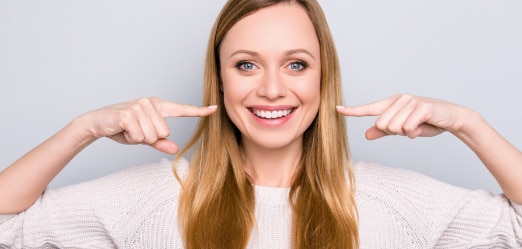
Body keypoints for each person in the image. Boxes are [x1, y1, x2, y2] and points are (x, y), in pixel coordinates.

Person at [1, 0, 521, 248]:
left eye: (296, 64)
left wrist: (468, 123)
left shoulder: (393, 201)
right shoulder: (150, 199)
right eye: (246, 64)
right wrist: (82, 129)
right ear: (220, 80)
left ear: (323, 78)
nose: (272, 88)